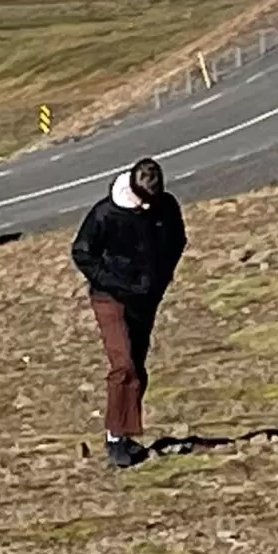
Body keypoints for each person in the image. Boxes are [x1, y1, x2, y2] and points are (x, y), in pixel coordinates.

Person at [69, 155, 188, 468]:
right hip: (110, 298)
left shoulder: (165, 206)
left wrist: (159, 280)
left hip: (145, 299)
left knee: (137, 365)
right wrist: (114, 282)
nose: (146, 208)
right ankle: (115, 438)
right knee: (123, 365)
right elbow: (82, 253)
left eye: (151, 202)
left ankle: (127, 434)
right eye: (141, 202)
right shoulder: (105, 214)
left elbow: (177, 241)